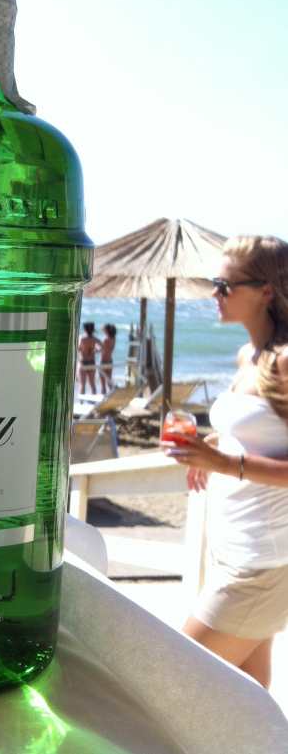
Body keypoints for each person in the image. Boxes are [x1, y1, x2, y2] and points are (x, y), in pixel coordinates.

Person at [161, 235, 288, 690]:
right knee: (250, 696)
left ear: (266, 291)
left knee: (173, 681)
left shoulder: (286, 363)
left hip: (262, 563)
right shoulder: (248, 357)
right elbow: (264, 432)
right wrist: (212, 444)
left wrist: (222, 461)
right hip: (235, 546)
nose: (214, 293)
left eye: (224, 285)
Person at [78, 322, 101, 394]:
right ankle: (94, 402)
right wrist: (95, 351)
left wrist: (82, 350)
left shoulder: (82, 338)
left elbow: (78, 348)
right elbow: (102, 347)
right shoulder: (94, 339)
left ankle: (81, 402)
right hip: (91, 362)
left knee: (82, 384)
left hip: (83, 362)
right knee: (92, 383)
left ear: (85, 329)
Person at [99, 323, 117, 392]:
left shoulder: (105, 339)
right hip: (110, 361)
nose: (102, 331)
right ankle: (113, 395)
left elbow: (101, 349)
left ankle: (104, 399)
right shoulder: (113, 338)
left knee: (103, 383)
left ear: (106, 330)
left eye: (103, 330)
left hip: (103, 361)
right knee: (109, 380)